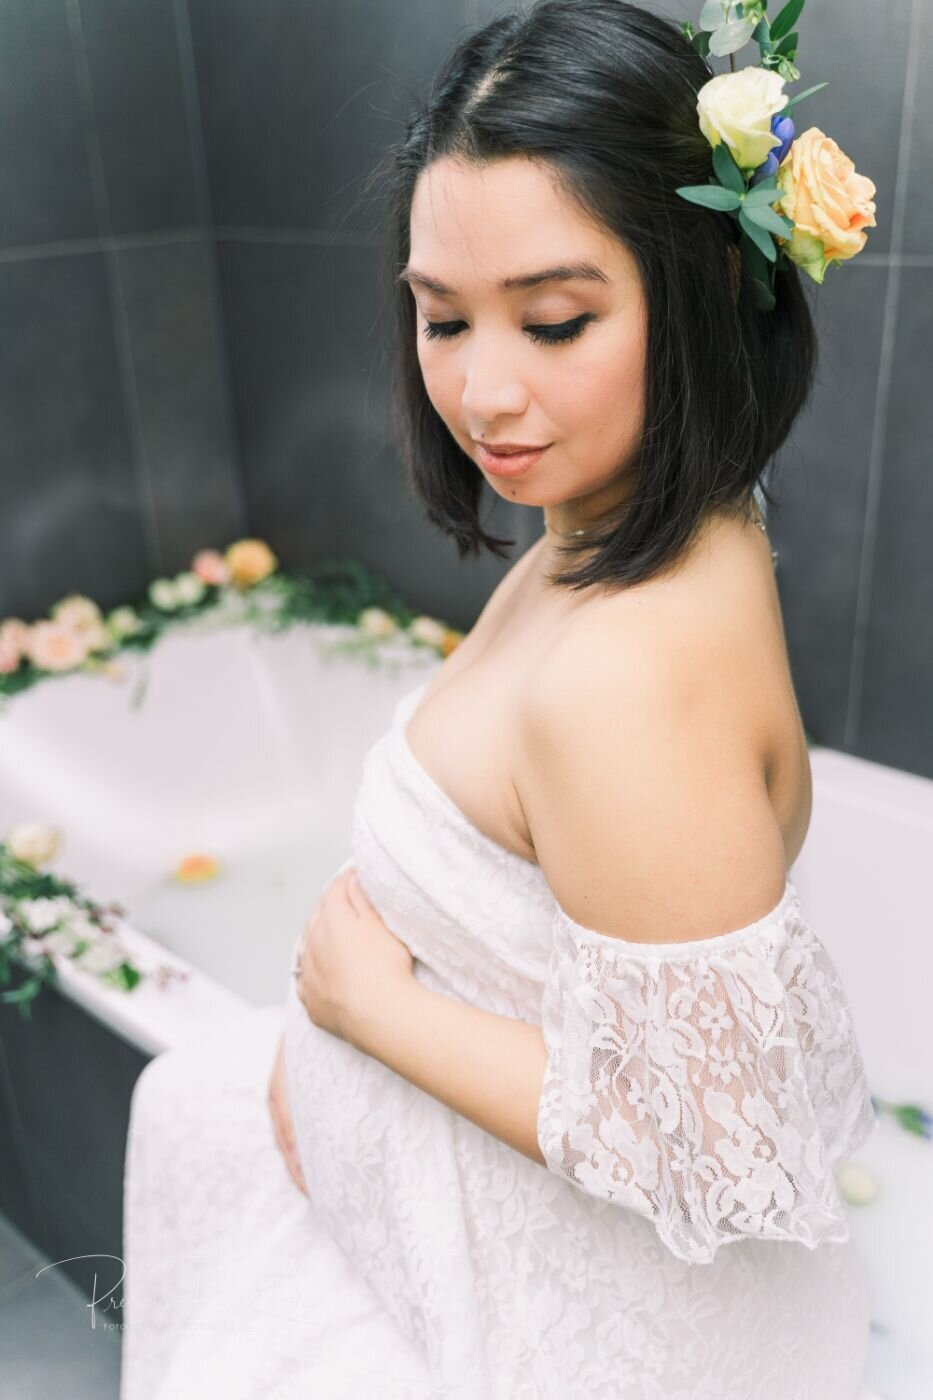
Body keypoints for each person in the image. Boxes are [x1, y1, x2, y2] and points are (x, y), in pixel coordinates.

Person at [119, 3, 881, 1397]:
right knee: (196, 1103)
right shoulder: (651, 515)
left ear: (704, 290)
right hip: (480, 1219)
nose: (481, 391)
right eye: (439, 317)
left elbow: (709, 1139)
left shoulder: (624, 679)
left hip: (619, 1336)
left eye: (552, 320)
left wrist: (370, 1011)